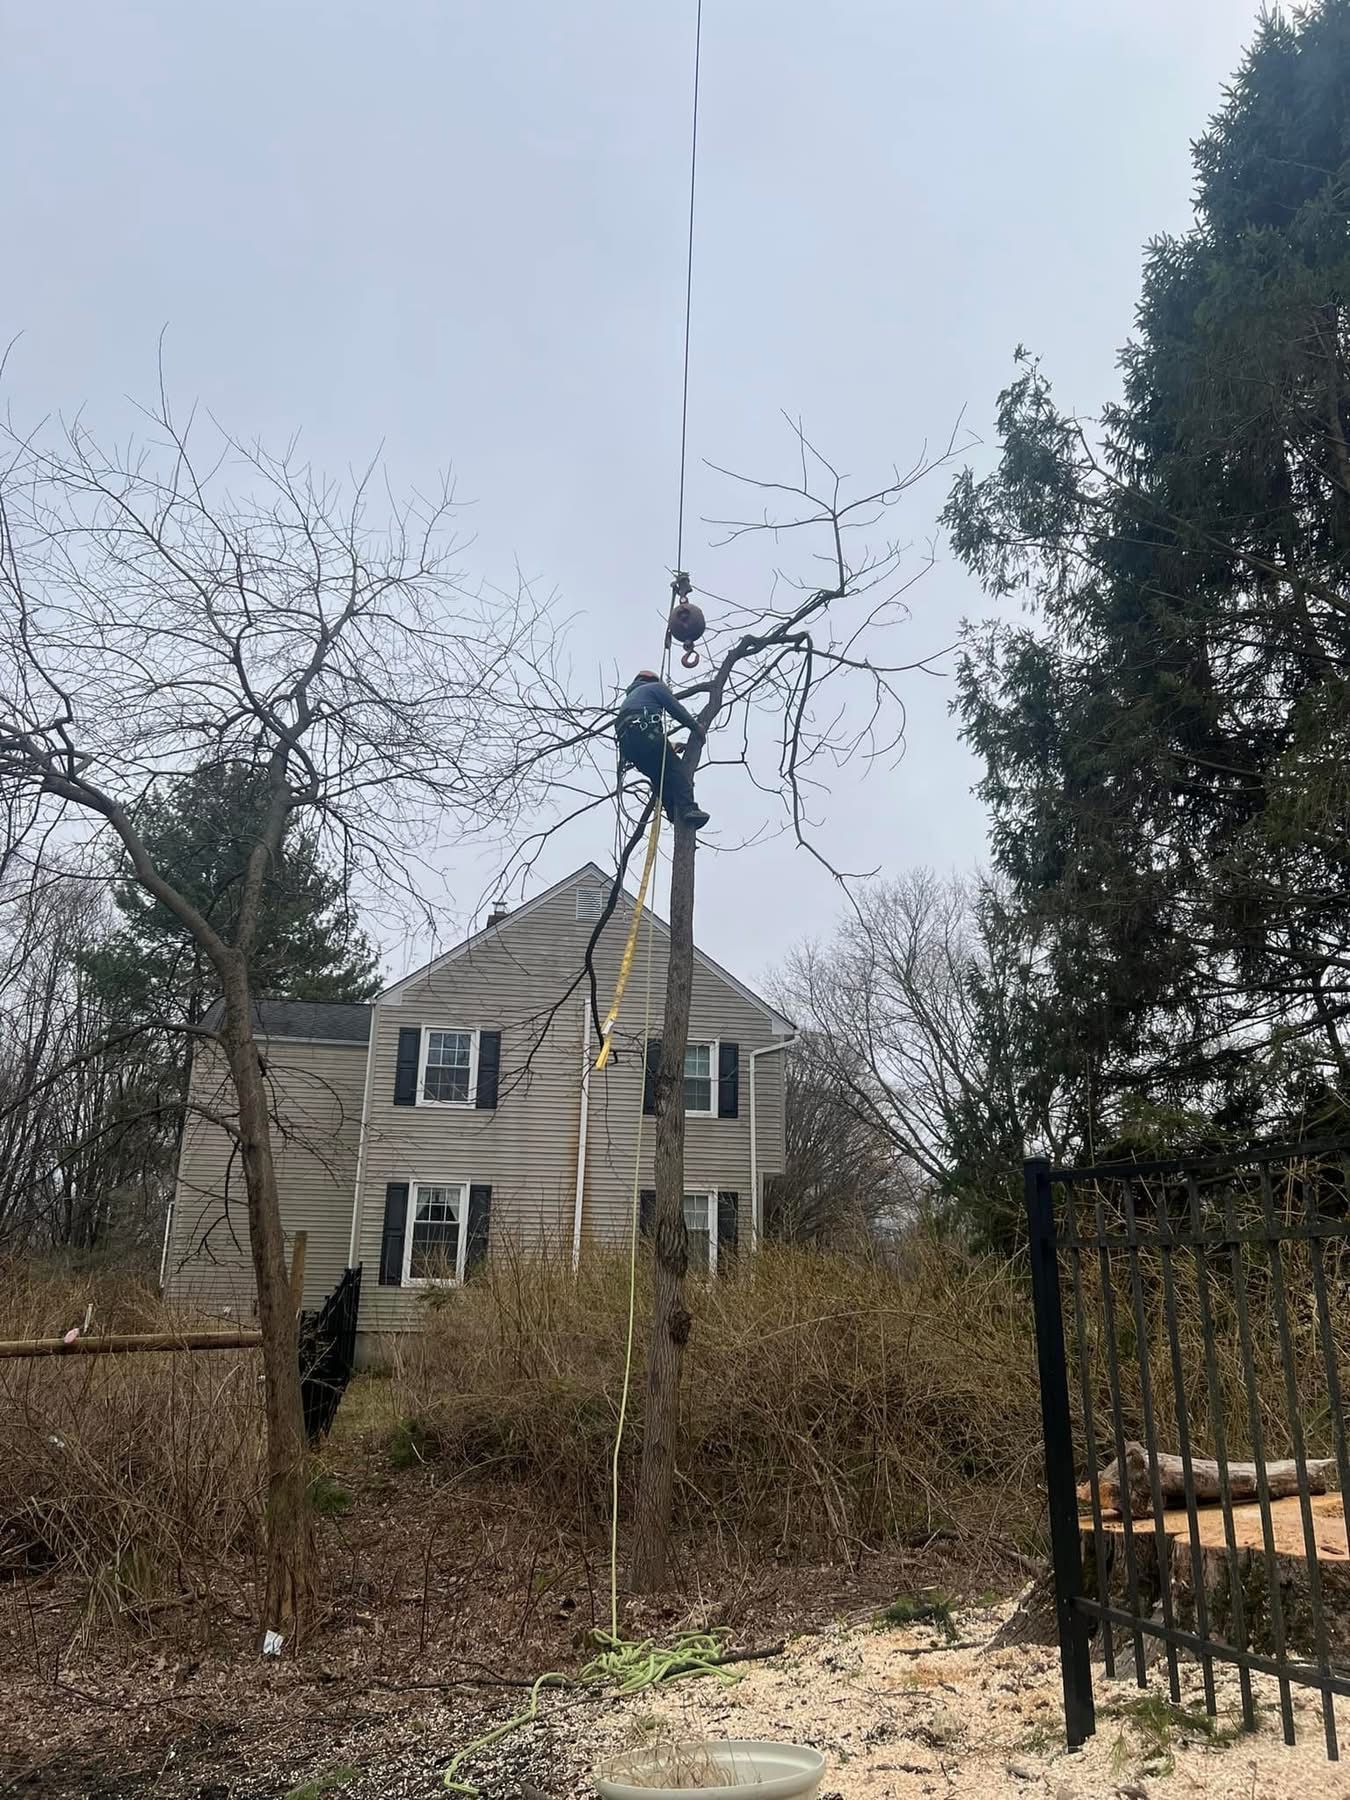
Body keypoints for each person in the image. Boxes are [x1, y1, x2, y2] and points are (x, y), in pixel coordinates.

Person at [615, 670, 710, 829]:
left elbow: (641, 734)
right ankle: (687, 809)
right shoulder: (655, 688)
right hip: (645, 735)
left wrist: (670, 746)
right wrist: (696, 727)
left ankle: (672, 810)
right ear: (653, 680)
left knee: (659, 776)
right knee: (678, 769)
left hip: (630, 747)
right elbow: (675, 709)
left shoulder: (630, 699)